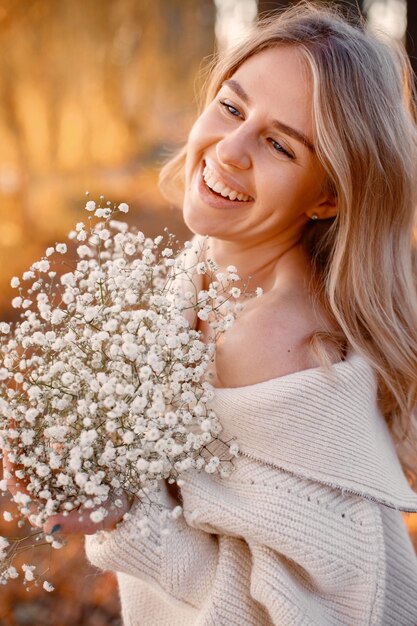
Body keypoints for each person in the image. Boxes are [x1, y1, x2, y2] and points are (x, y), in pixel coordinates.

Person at [43, 1, 417, 623]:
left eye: (279, 144)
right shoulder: (208, 274)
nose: (231, 150)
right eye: (232, 108)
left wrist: (124, 519)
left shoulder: (277, 342)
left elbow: (320, 611)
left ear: (327, 197)